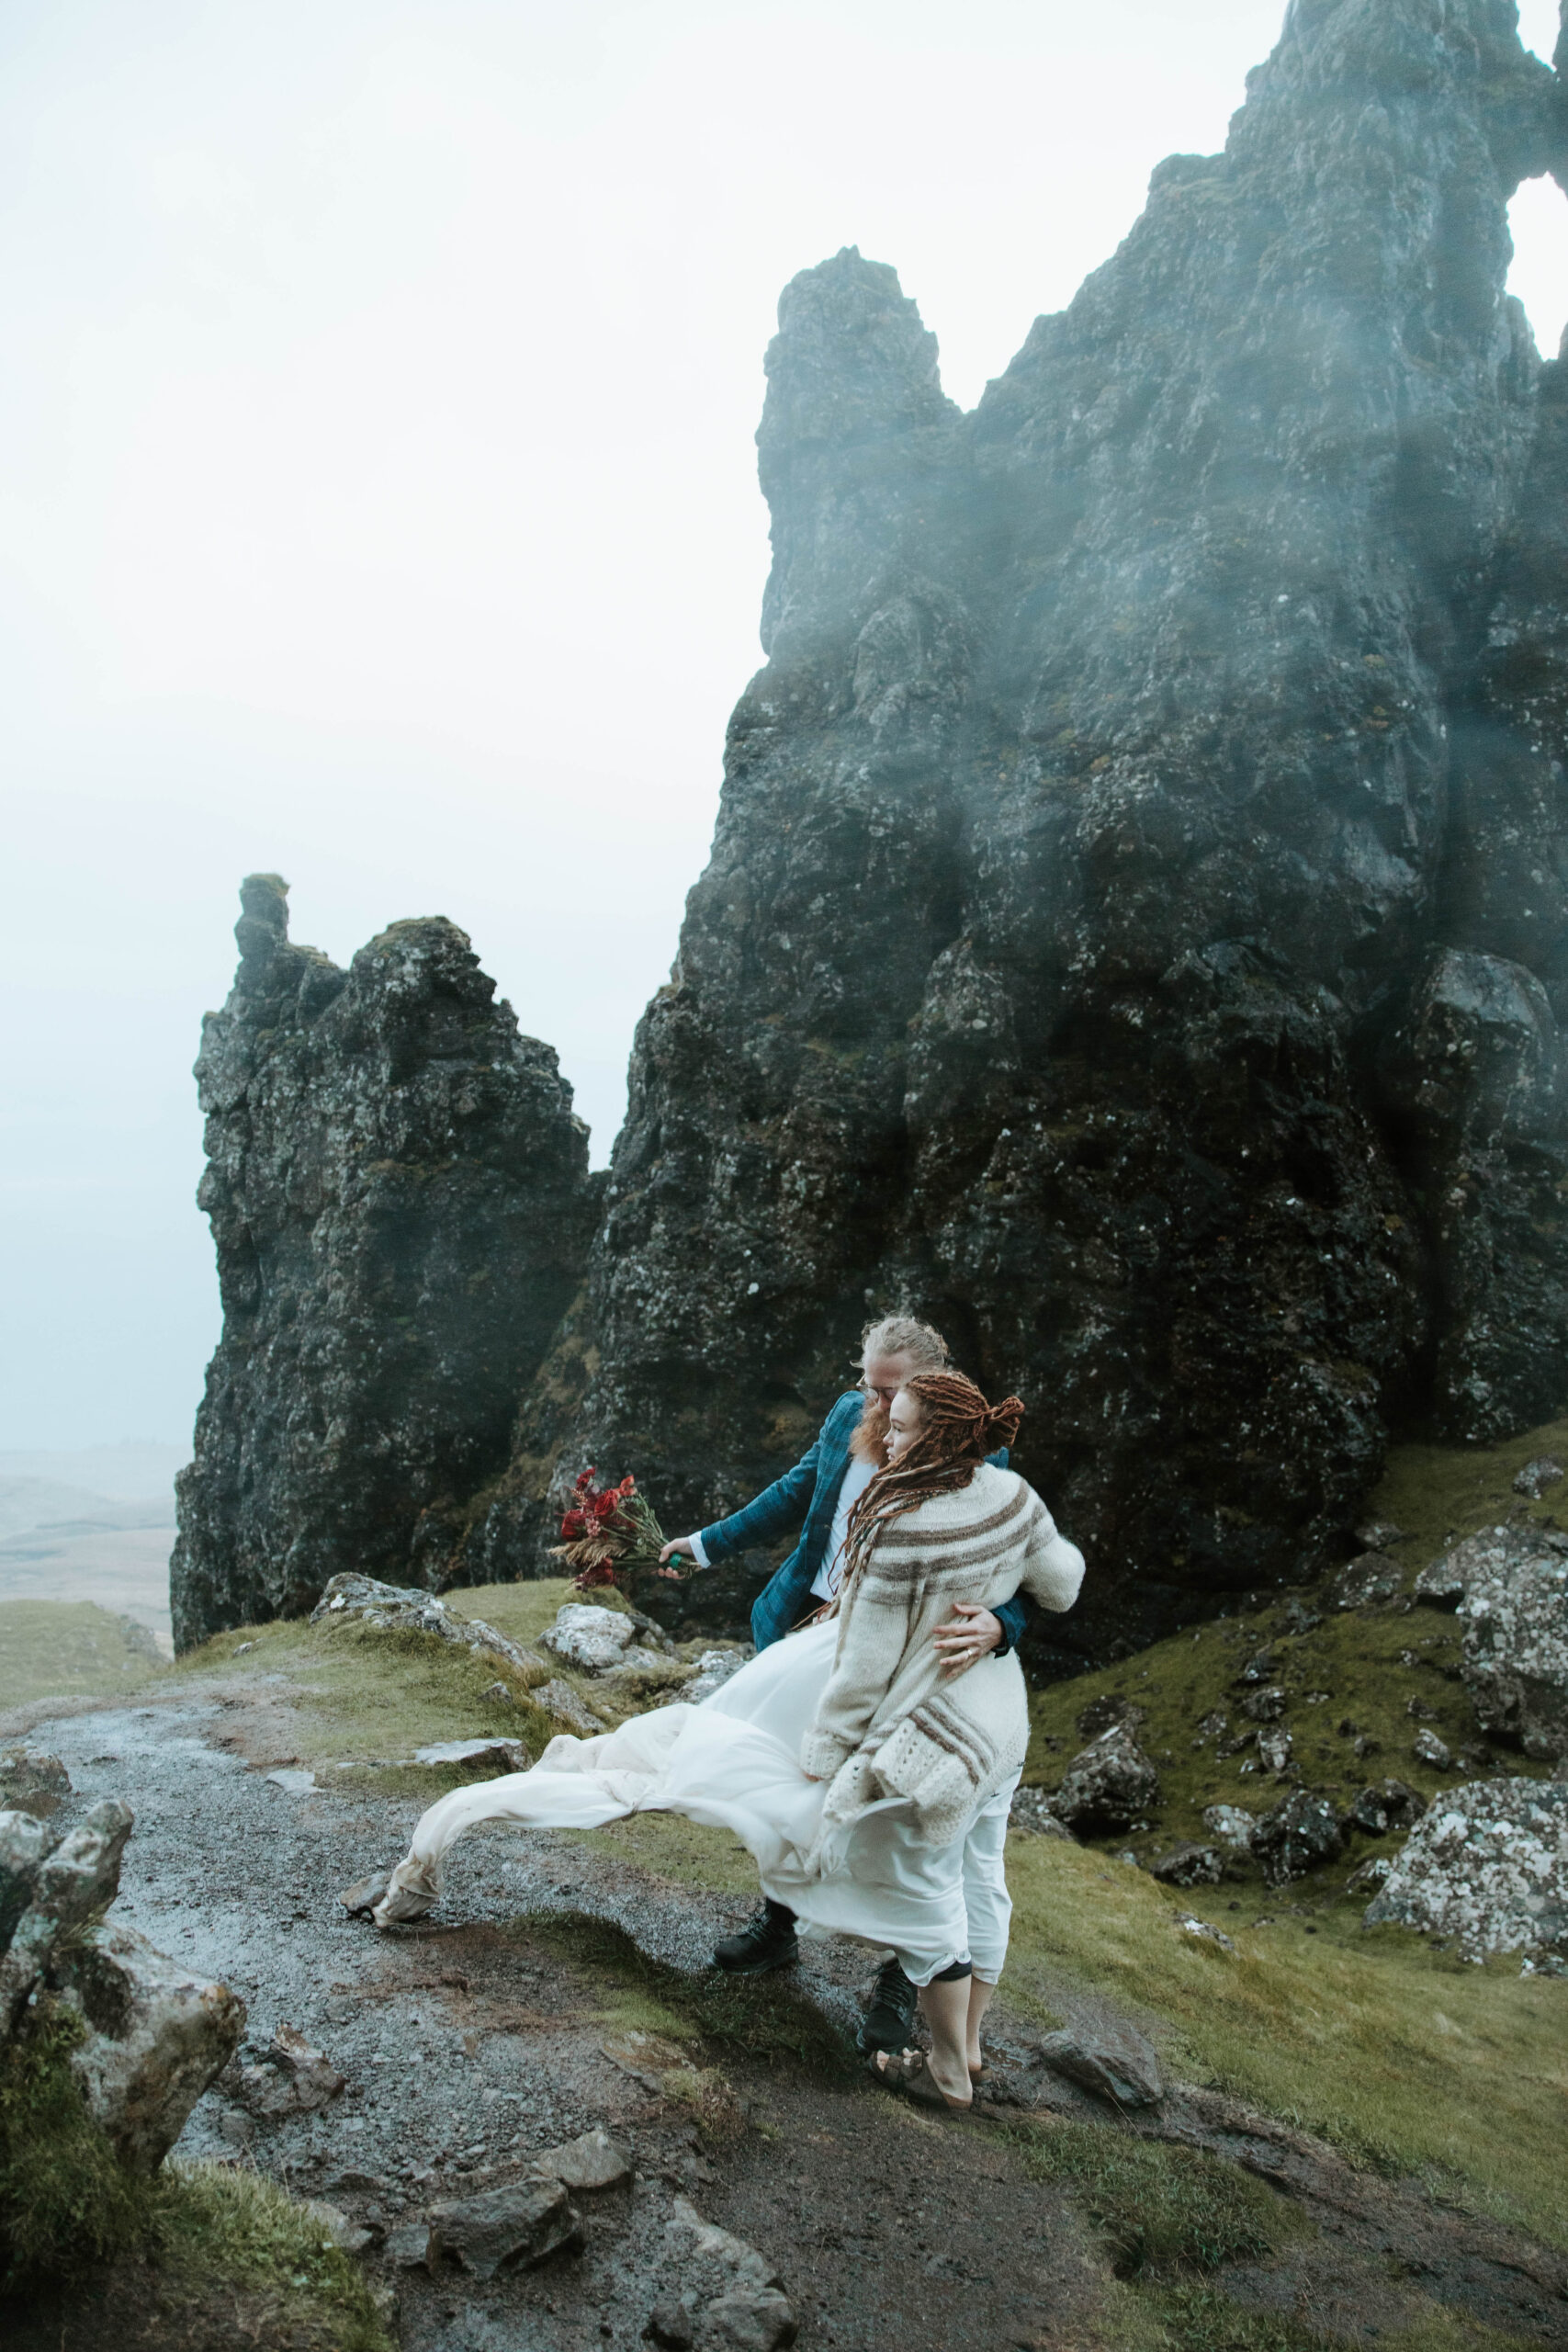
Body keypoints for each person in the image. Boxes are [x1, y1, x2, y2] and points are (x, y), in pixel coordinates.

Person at [369, 1368, 1084, 2109]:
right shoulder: (1012, 1497)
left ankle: (942, 2071)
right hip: (998, 1720)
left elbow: (865, 1670)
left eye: (897, 1423)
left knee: (930, 1888)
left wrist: (825, 1756)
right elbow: (1060, 1580)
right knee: (970, 1870)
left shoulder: (900, 1527)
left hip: (929, 1730)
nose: (882, 1431)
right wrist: (996, 1608)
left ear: (932, 1430)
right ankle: (964, 2051)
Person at [658, 1314, 1037, 2056]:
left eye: (891, 1392)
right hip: (810, 1632)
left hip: (907, 1667)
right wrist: (705, 1545)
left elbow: (1027, 1570)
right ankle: (777, 1925)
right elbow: (799, 1490)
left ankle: (900, 1977)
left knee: (901, 1815)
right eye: (868, 1384)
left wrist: (1001, 1626)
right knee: (792, 1775)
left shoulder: (979, 1465)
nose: (874, 1405)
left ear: (935, 1388)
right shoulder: (846, 1413)